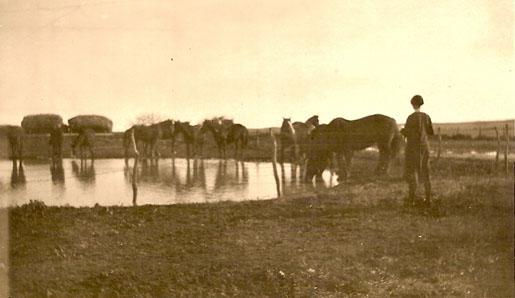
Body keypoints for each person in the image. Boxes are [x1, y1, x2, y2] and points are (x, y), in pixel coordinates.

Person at [401, 95, 434, 207]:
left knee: (413, 171)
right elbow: (430, 132)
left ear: (412, 104)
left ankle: (412, 200)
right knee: (426, 172)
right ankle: (428, 199)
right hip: (425, 148)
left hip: (413, 148)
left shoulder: (411, 117)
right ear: (421, 104)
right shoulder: (427, 117)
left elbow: (407, 133)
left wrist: (402, 130)